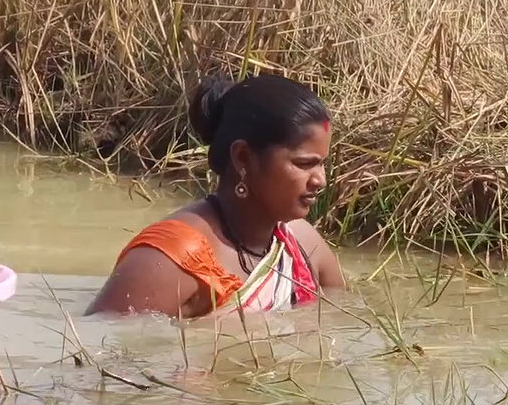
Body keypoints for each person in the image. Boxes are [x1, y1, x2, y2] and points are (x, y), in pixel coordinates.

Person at [86, 73, 346, 319]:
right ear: (243, 157)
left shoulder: (302, 244)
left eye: (322, 164)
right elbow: (104, 351)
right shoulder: (175, 259)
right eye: (304, 164)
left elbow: (345, 319)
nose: (320, 180)